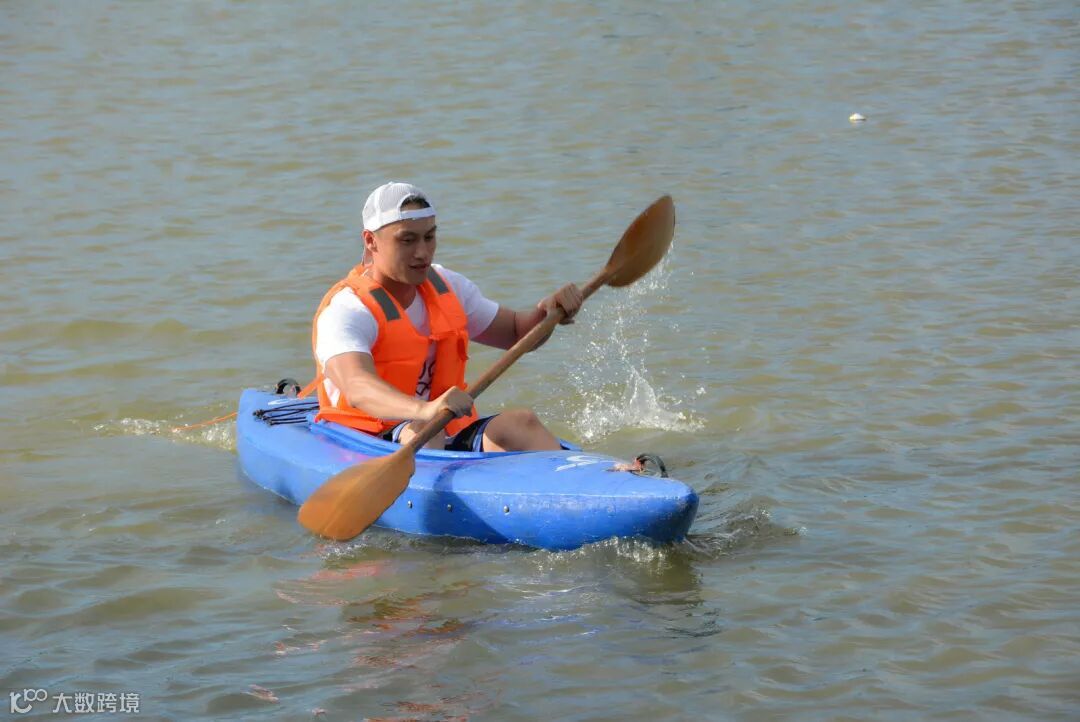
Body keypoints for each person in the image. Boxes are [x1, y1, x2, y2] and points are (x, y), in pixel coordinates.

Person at [308, 181, 583, 452]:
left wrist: (548, 313)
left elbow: (516, 333)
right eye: (407, 240)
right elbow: (356, 387)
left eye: (429, 237)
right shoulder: (348, 309)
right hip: (366, 438)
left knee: (522, 423)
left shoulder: (446, 286)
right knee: (426, 432)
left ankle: (573, 477)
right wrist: (425, 409)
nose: (422, 253)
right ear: (371, 241)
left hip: (443, 429)